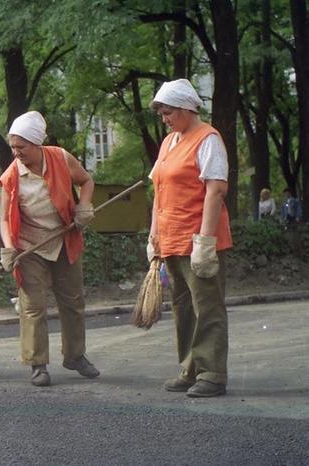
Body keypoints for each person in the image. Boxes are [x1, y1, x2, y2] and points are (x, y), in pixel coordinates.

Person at [0, 110, 99, 387]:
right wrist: (9, 249)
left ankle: (75, 355)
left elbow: (86, 181)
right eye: (12, 147)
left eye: (21, 147)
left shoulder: (60, 158)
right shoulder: (11, 177)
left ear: (37, 144)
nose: (16, 152)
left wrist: (84, 206)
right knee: (33, 307)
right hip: (31, 246)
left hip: (64, 238)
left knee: (73, 300)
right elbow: (6, 219)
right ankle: (38, 364)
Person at [148, 79, 233, 398]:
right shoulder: (169, 142)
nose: (165, 119)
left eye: (168, 112)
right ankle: (190, 367)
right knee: (183, 308)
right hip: (171, 239)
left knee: (207, 306)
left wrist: (206, 242)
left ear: (186, 108)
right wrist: (154, 233)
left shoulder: (208, 139)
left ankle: (212, 373)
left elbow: (216, 189)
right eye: (162, 114)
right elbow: (158, 190)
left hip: (198, 239)